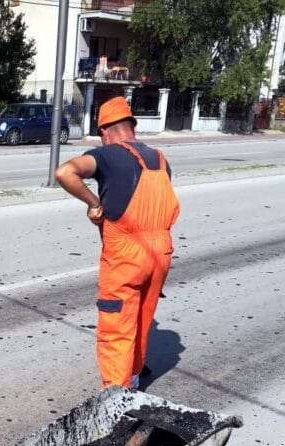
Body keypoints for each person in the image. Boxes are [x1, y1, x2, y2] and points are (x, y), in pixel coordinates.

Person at [54, 96, 179, 390]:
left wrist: (93, 202)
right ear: (132, 127)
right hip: (160, 252)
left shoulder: (108, 155)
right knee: (141, 319)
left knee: (117, 327)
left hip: (126, 255)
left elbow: (65, 172)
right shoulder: (160, 159)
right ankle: (133, 378)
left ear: (105, 132)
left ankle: (116, 398)